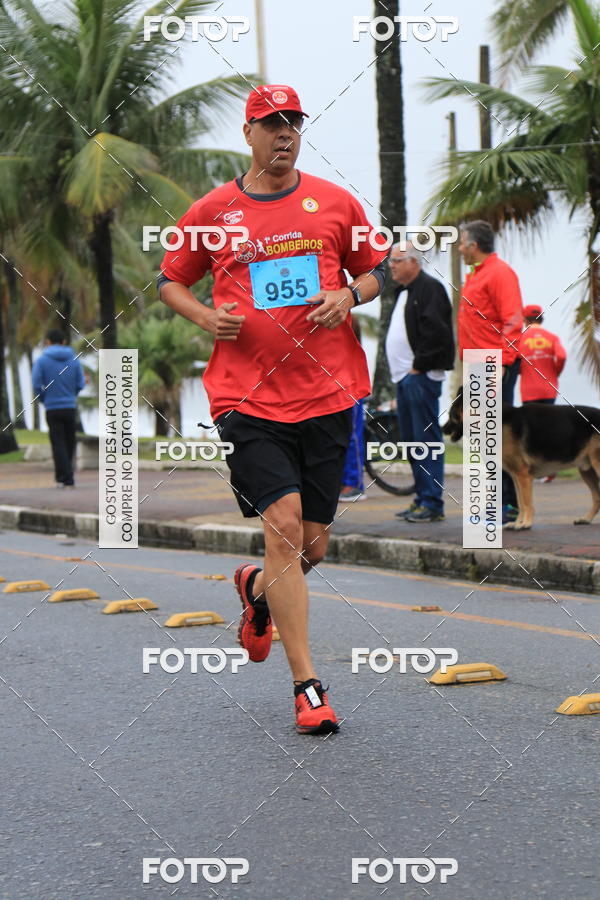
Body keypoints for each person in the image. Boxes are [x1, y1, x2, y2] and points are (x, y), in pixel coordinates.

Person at [158, 84, 387, 734]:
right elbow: (170, 280)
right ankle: (308, 688)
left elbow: (378, 269)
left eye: (294, 123)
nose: (285, 134)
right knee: (283, 527)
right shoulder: (213, 210)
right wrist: (206, 316)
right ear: (249, 133)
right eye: (272, 124)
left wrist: (350, 295)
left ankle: (257, 592)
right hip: (246, 398)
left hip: (327, 394)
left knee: (312, 547)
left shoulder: (336, 202)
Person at [457, 221, 523, 524]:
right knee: (484, 438)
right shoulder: (476, 274)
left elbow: (512, 320)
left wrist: (503, 364)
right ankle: (495, 502)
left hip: (493, 364)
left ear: (474, 246)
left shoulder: (499, 273)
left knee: (499, 436)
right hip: (477, 364)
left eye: (462, 243)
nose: (459, 248)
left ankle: (509, 504)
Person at [386, 243, 454, 522]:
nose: (391, 266)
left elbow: (437, 333)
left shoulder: (430, 288)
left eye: (396, 261)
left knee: (426, 441)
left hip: (420, 377)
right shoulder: (404, 291)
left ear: (414, 262)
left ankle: (432, 502)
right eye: (390, 261)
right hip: (405, 378)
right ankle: (421, 498)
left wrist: (418, 366)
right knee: (412, 441)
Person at [31, 329, 85, 488]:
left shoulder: (42, 360)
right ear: (64, 342)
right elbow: (80, 383)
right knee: (69, 442)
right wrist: (72, 395)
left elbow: (36, 383)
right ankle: (65, 476)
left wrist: (44, 398)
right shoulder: (74, 360)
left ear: (48, 342)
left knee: (58, 443)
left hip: (52, 408)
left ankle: (65, 477)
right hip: (70, 407)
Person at [339, 316, 366, 502]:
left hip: (349, 383)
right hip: (333, 383)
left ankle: (354, 484)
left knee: (352, 435)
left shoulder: (349, 320)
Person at [519, 304, 566, 404]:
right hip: (549, 390)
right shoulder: (552, 337)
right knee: (548, 415)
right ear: (541, 319)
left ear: (525, 320)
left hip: (528, 391)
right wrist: (555, 372)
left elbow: (513, 361)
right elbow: (561, 356)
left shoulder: (520, 339)